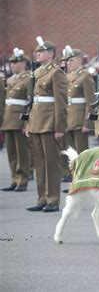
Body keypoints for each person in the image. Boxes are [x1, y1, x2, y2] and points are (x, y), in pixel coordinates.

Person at [25, 37, 67, 213]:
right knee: (39, 163)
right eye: (36, 51)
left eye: (41, 51)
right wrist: (28, 123)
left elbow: (61, 102)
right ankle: (42, 198)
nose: (37, 53)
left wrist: (59, 127)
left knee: (51, 163)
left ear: (50, 54)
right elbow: (32, 101)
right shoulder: (36, 72)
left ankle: (53, 199)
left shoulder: (56, 73)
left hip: (49, 123)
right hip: (36, 122)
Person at [2, 48, 32, 192]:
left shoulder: (28, 79)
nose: (13, 65)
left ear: (24, 63)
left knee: (22, 152)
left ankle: (23, 179)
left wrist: (26, 122)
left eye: (16, 62)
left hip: (20, 120)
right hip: (8, 120)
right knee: (12, 153)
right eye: (11, 63)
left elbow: (29, 103)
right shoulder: (9, 80)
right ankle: (14, 178)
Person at [63, 47, 95, 153]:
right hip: (68, 119)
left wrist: (87, 123)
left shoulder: (85, 77)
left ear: (80, 60)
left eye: (71, 60)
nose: (68, 63)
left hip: (80, 120)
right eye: (67, 60)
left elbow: (90, 102)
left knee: (81, 153)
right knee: (71, 154)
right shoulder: (67, 77)